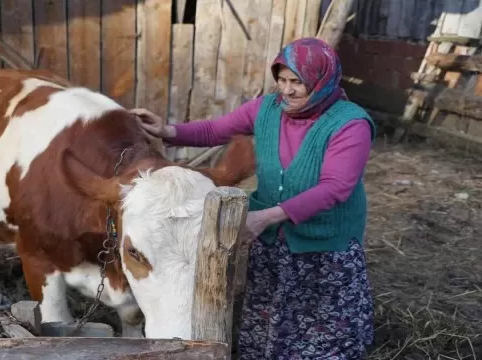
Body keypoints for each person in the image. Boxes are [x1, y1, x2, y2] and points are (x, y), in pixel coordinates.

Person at [130, 37, 376, 359]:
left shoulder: (349, 123)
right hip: (273, 242)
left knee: (321, 335)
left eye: (297, 83)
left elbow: (336, 188)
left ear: (322, 81)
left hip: (324, 248)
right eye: (282, 80)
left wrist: (266, 216)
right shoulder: (268, 109)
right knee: (267, 324)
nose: (286, 91)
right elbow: (216, 130)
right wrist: (168, 131)